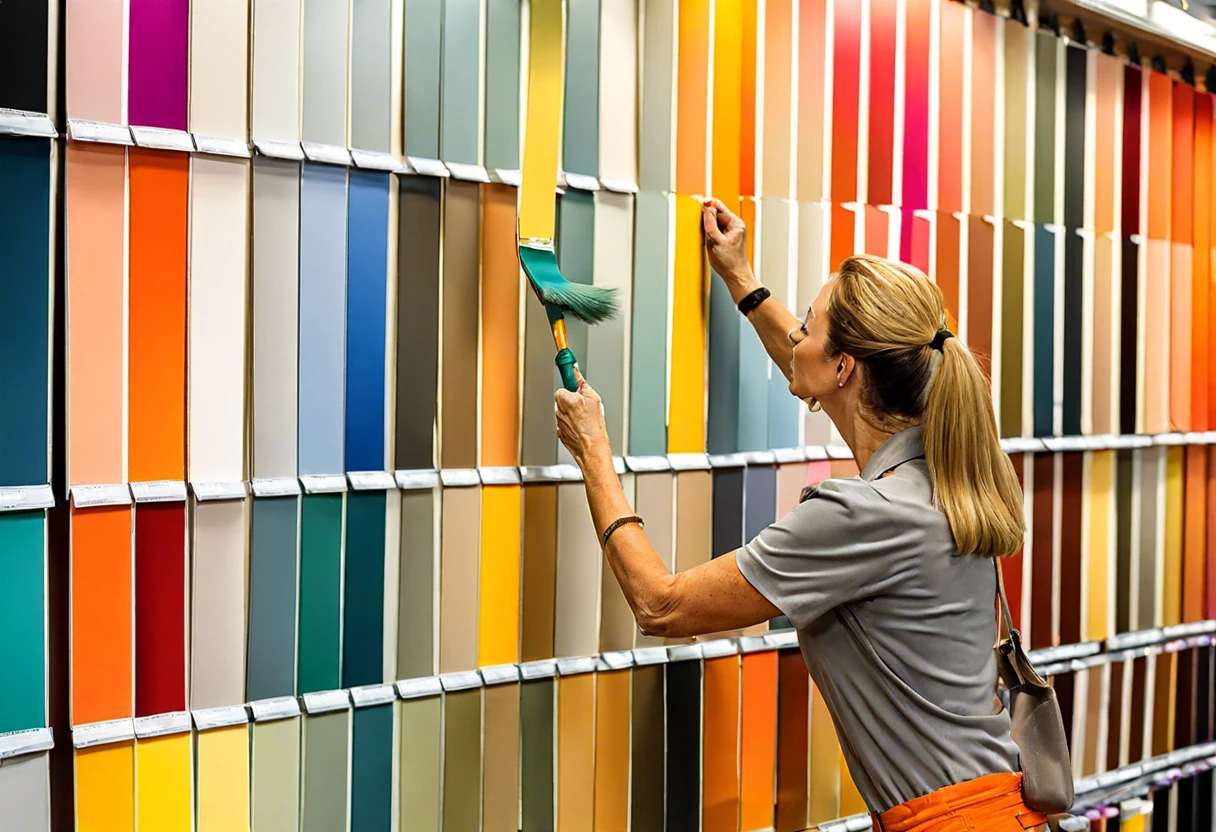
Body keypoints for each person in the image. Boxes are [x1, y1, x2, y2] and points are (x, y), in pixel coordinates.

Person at [553, 198, 1048, 832]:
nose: (798, 337)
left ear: (843, 367)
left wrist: (593, 451)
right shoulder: (946, 463)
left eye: (809, 326)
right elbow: (812, 355)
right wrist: (741, 278)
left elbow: (662, 605)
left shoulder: (862, 515)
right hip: (1001, 811)